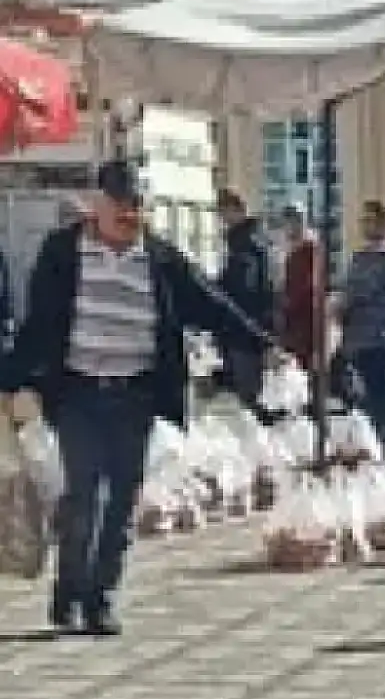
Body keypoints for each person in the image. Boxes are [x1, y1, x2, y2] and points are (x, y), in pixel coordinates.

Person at [0, 160, 278, 635]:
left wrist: (262, 344)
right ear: (97, 204)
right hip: (78, 394)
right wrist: (9, 377)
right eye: (120, 206)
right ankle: (70, 592)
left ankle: (101, 598)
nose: (129, 216)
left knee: (121, 501)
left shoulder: (161, 259)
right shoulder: (62, 253)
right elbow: (39, 324)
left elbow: (209, 303)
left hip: (135, 396)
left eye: (137, 207)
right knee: (84, 498)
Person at [336, 200, 385, 455]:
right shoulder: (363, 254)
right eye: (362, 220)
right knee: (358, 392)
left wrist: (341, 303)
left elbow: (361, 289)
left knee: (379, 393)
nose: (364, 225)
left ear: (383, 223)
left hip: (376, 334)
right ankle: (371, 443)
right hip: (356, 335)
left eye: (369, 220)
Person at [212, 189, 275, 415]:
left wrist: (218, 292)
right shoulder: (253, 241)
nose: (221, 219)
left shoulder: (245, 244)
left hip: (244, 330)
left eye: (223, 212)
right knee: (247, 396)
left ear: (235, 210)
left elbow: (243, 289)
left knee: (247, 400)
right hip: (250, 329)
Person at [278, 204, 323, 376]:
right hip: (291, 319)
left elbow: (307, 283)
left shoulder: (309, 248)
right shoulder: (288, 250)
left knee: (305, 365)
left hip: (305, 317)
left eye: (293, 221)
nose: (289, 226)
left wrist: (288, 303)